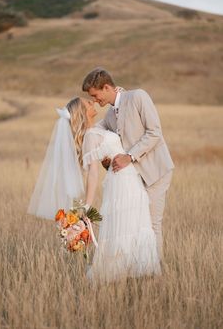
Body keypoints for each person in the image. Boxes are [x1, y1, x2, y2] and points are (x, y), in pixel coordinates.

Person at [28, 97, 160, 282]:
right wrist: (87, 208)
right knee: (125, 230)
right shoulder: (90, 137)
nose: (92, 103)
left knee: (137, 227)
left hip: (131, 180)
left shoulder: (97, 128)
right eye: (88, 104)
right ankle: (118, 276)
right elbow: (92, 174)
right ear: (82, 113)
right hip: (121, 185)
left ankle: (137, 277)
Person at [82, 68, 174, 260]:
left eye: (95, 95)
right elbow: (94, 134)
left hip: (155, 171)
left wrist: (129, 156)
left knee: (151, 224)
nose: (95, 100)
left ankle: (155, 274)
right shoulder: (109, 115)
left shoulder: (138, 97)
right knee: (137, 224)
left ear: (106, 87)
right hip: (133, 179)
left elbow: (154, 133)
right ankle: (139, 267)